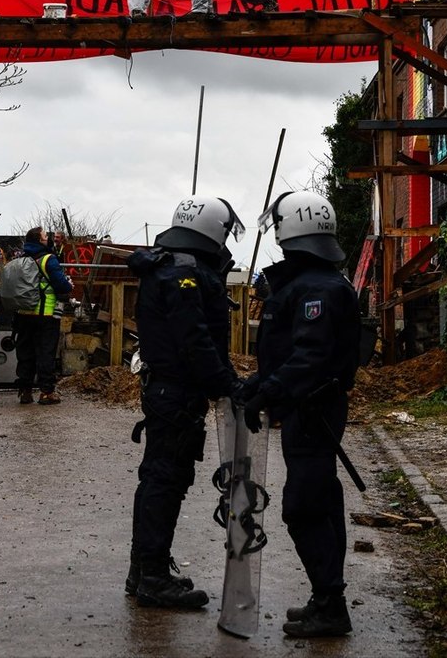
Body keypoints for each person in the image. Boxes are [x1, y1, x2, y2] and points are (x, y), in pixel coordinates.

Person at [241, 191, 361, 639]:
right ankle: (325, 597)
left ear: (290, 230)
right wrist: (259, 386)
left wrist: (268, 390)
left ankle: (331, 606)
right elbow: (294, 354)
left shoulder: (317, 289)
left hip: (313, 411)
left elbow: (310, 358)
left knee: (305, 507)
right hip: (309, 409)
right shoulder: (319, 282)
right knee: (322, 501)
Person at [125, 195, 246, 610]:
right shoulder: (186, 274)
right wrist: (228, 383)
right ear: (214, 229)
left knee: (157, 478)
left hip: (165, 389)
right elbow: (196, 340)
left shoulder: (169, 265)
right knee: (165, 480)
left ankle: (144, 570)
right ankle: (153, 577)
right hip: (177, 392)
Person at [14, 226, 73, 406]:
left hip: (23, 313)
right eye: (45, 235)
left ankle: (25, 391)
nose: (48, 238)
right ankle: (46, 392)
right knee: (45, 353)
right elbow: (61, 286)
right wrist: (69, 284)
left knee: (25, 353)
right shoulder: (49, 259)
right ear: (40, 241)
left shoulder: (20, 259)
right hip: (45, 314)